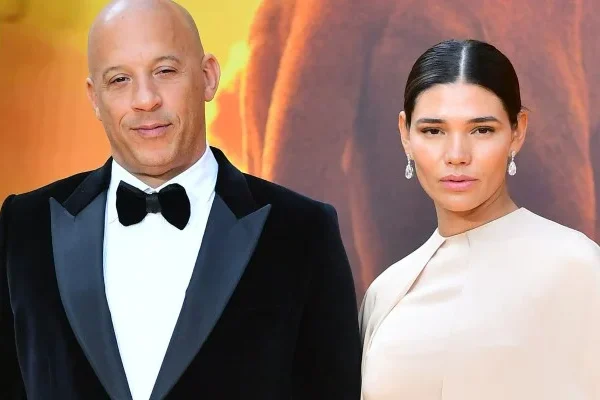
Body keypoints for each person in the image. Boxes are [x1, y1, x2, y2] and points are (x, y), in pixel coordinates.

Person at [0, 0, 362, 398]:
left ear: (208, 77)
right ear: (94, 98)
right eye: (119, 79)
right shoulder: (25, 226)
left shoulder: (303, 231)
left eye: (165, 71)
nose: (145, 99)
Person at [359, 39, 600, 400]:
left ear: (517, 131)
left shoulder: (576, 266)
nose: (457, 155)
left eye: (482, 130)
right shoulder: (385, 293)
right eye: (433, 131)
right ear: (405, 134)